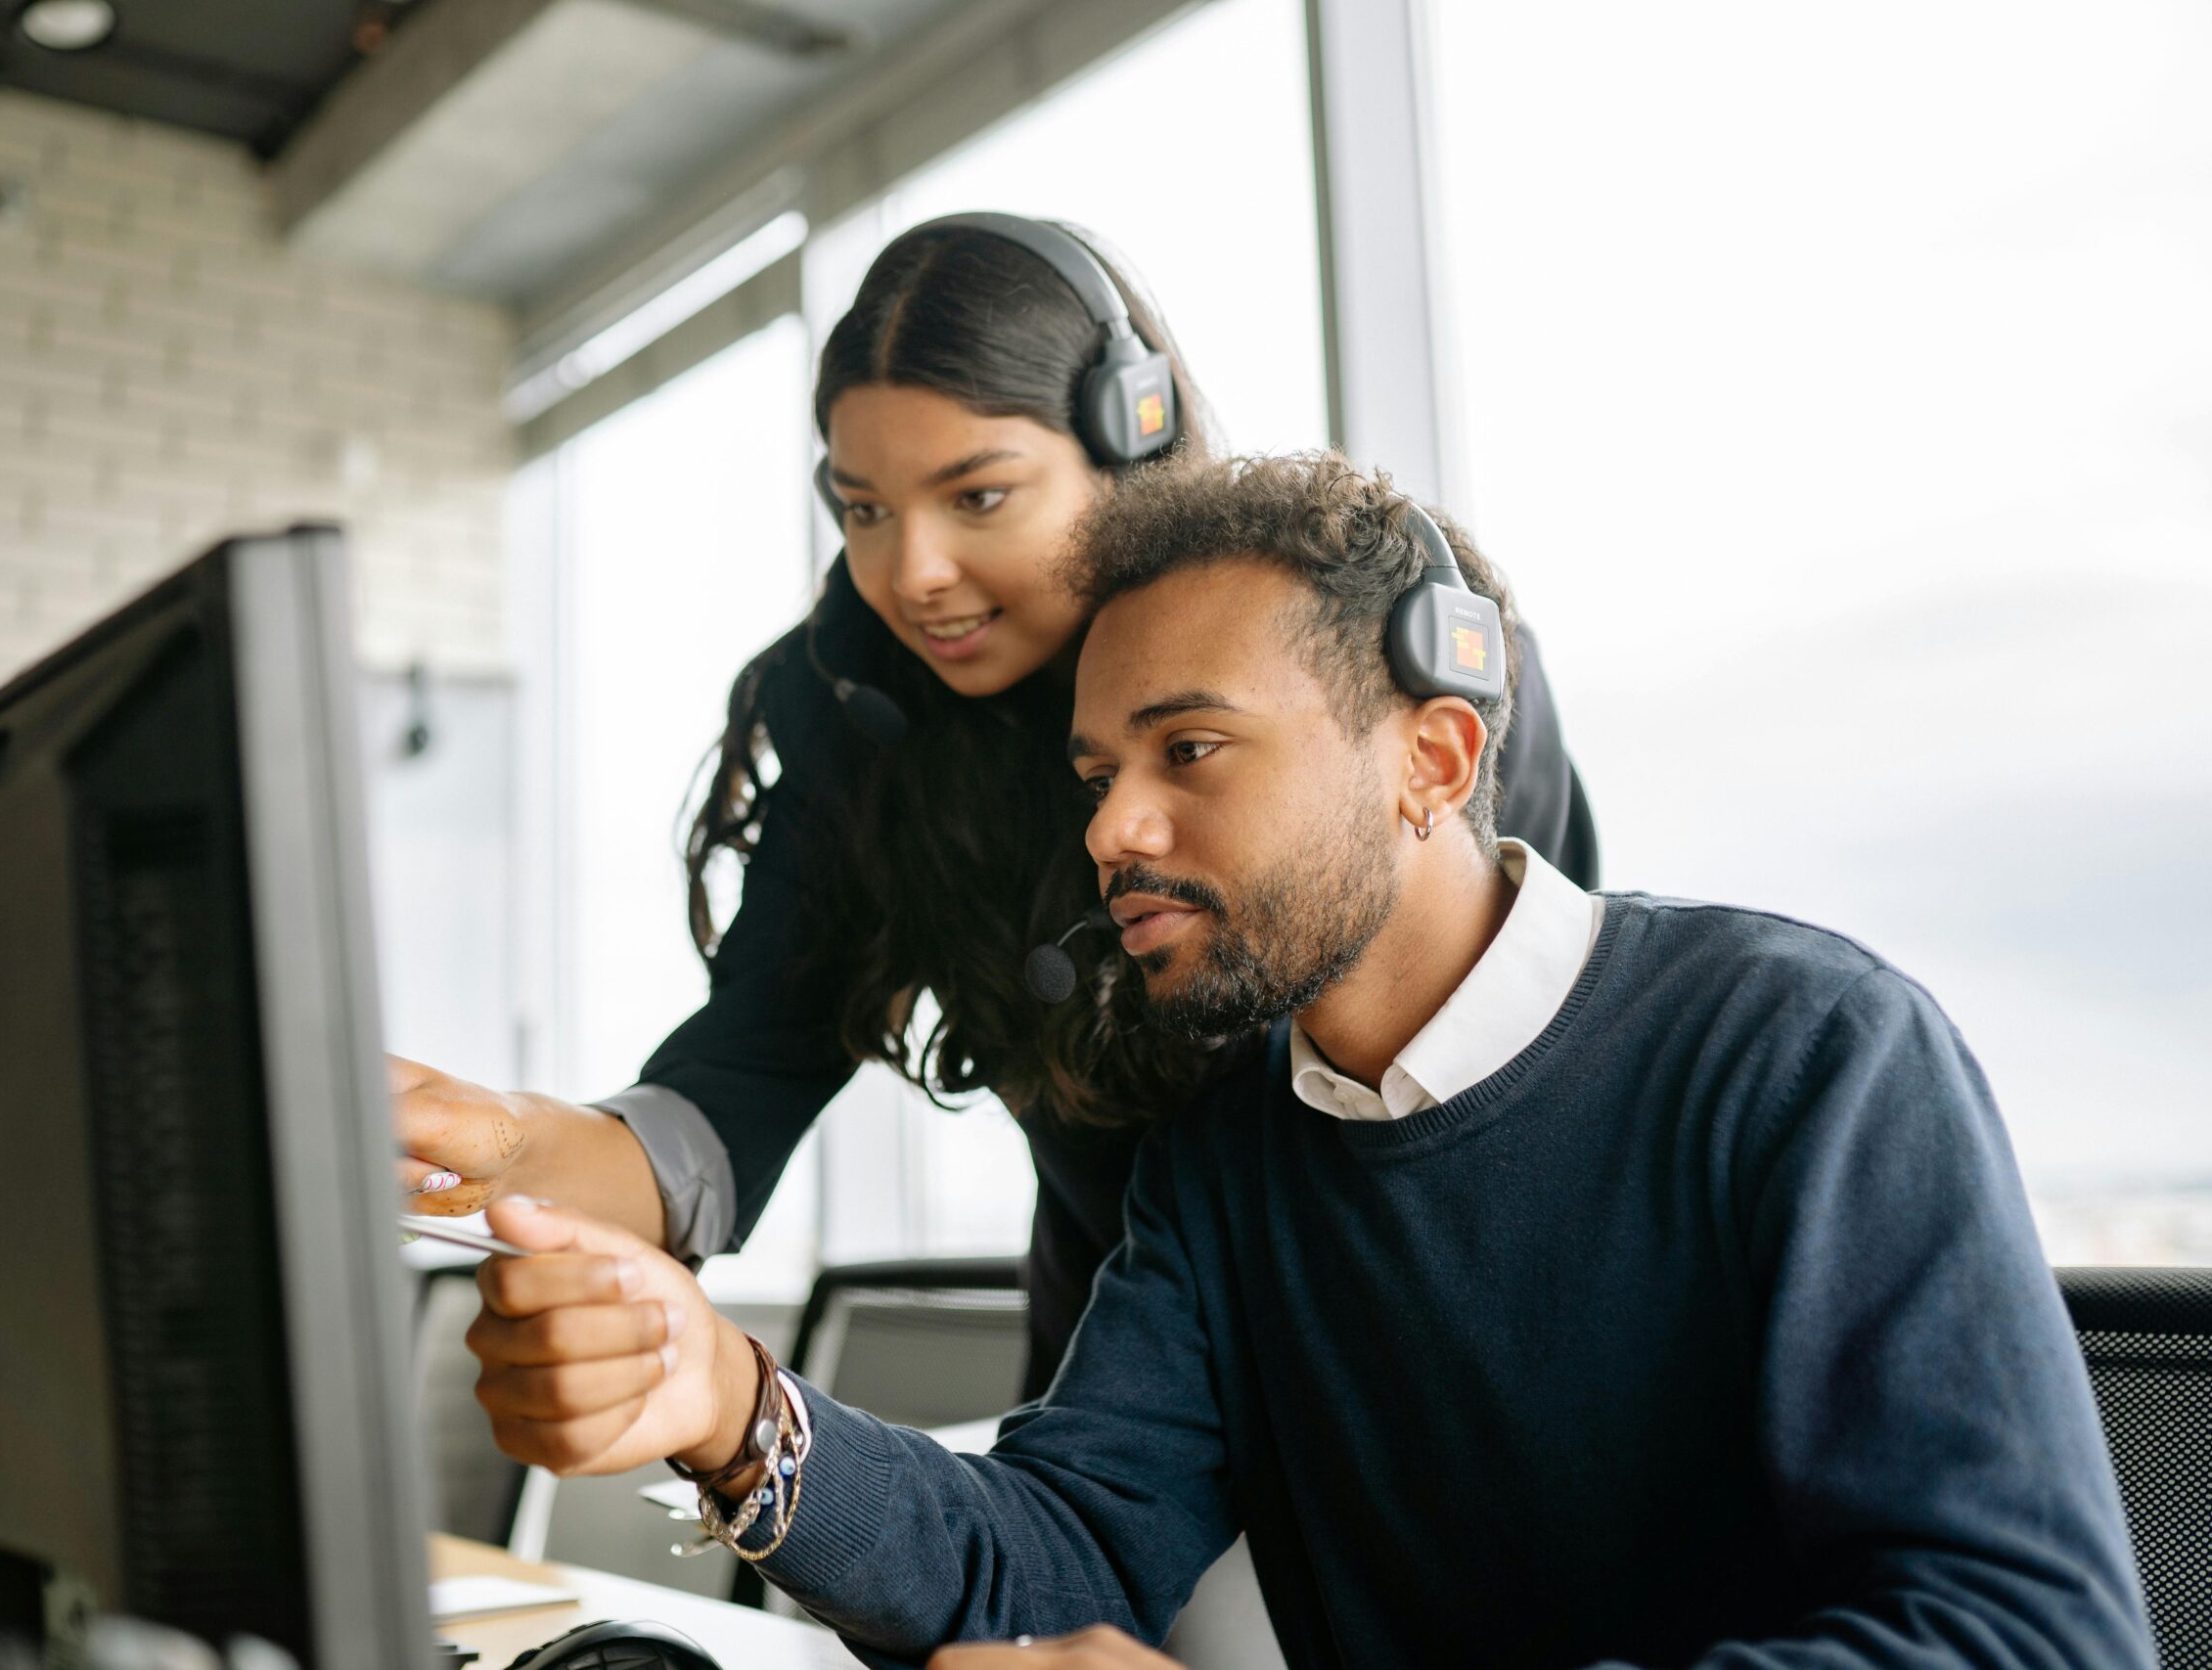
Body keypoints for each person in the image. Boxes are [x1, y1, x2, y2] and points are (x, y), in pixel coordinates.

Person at [453, 452, 2153, 1670]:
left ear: (1431, 755)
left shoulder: (1805, 1056)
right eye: (1098, 767)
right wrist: (736, 1409)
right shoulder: (1229, 1150)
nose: (1113, 825)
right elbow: (1065, 1544)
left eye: (1191, 747)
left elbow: (2024, 1634)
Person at [392, 215, 1597, 1390]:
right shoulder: (858, 714)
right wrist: (501, 1145)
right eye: (863, 510)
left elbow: (1549, 1063)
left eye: (977, 498)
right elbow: (737, 1084)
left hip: (1421, 1357)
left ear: (1131, 448)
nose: (910, 574)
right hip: (1116, 1397)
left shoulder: (1395, 669)